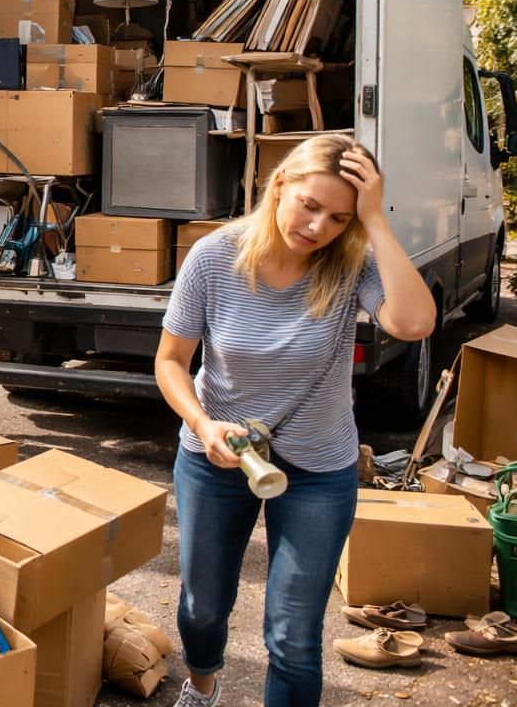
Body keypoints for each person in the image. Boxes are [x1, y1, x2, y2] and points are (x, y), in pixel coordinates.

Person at [154, 134, 435, 707]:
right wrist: (205, 426)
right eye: (309, 205)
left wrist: (375, 221)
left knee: (293, 634)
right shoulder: (214, 256)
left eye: (338, 217)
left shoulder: (351, 265)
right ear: (279, 184)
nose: (317, 228)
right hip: (217, 454)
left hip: (318, 467)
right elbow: (171, 362)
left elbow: (413, 324)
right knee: (202, 604)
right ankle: (202, 683)